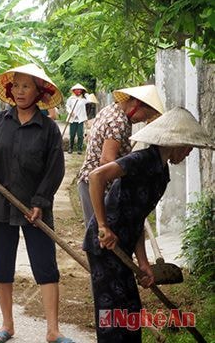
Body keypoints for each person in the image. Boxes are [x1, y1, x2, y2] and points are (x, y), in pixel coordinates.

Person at [83, 106, 214, 342]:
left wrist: (144, 263)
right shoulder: (140, 160)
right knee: (112, 317)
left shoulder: (161, 173)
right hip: (105, 245)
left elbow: (137, 218)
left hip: (124, 243)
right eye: (187, 148)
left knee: (130, 312)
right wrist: (103, 226)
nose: (187, 154)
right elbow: (96, 177)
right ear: (175, 143)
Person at [0, 63, 74, 343]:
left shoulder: (48, 129)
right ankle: (7, 325)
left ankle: (53, 330)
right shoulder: (0, 121)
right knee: (2, 265)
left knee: (45, 266)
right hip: (0, 205)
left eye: (26, 86)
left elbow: (55, 169)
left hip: (34, 207)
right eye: (15, 86)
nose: (19, 91)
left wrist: (41, 201)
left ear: (39, 93)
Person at [77, 84, 164, 226]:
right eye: (145, 116)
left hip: (90, 182)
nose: (143, 120)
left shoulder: (111, 110)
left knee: (100, 238)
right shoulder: (119, 122)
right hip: (98, 187)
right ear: (136, 104)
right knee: (102, 237)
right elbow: (106, 161)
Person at [65, 83, 88, 154]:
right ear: (74, 91)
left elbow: (89, 99)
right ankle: (70, 148)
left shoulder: (84, 99)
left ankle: (79, 149)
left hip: (80, 119)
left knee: (80, 135)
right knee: (72, 135)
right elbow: (67, 106)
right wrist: (70, 112)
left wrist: (85, 93)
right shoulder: (71, 98)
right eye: (77, 90)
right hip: (73, 119)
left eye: (80, 90)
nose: (79, 91)